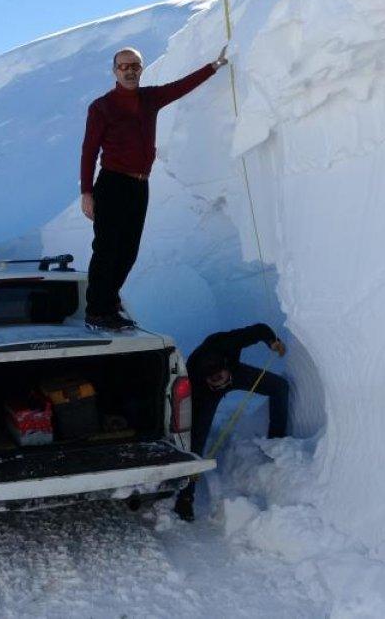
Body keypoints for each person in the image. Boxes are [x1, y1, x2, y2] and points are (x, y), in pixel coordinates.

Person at [80, 45, 229, 330]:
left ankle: (109, 304)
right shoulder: (101, 106)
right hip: (112, 183)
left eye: (134, 65)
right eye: (123, 66)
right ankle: (96, 311)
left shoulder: (150, 98)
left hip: (139, 185)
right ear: (114, 71)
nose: (129, 71)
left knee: (129, 251)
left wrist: (214, 66)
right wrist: (87, 192)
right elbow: (88, 151)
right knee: (107, 249)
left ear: (141, 68)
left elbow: (180, 87)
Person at [174, 323, 290, 522]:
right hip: (205, 395)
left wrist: (272, 342)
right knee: (196, 441)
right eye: (215, 381)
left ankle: (276, 442)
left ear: (226, 368)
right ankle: (185, 497)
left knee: (279, 387)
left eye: (221, 379)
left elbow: (260, 329)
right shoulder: (196, 377)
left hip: (235, 372)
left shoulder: (228, 343)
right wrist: (213, 387)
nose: (221, 384)